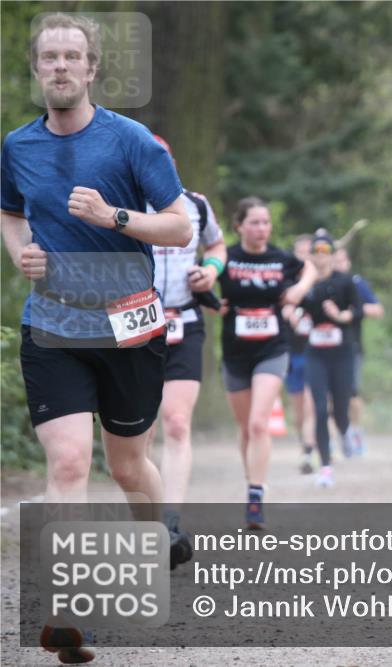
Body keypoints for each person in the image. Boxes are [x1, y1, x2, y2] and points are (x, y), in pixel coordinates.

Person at [1, 13, 191, 664]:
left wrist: (114, 216)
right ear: (37, 70)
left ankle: (163, 530)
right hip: (53, 325)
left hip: (130, 325)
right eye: (48, 56)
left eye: (70, 56)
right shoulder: (16, 146)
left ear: (91, 69)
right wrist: (21, 251)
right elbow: (9, 208)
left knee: (130, 463)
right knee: (69, 463)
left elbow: (180, 226)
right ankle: (62, 610)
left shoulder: (133, 141)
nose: (59, 66)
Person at [146, 134, 227, 569]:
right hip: (133, 325)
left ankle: (170, 523)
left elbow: (217, 245)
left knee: (177, 423)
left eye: (167, 161)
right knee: (142, 431)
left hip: (184, 321)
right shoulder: (123, 208)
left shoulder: (195, 205)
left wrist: (210, 271)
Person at [218, 197, 317, 528]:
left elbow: (310, 269)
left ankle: (257, 496)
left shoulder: (280, 258)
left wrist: (300, 290)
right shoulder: (227, 257)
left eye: (266, 222)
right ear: (239, 226)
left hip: (273, 349)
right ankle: (252, 484)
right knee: (246, 427)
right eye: (255, 223)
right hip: (235, 352)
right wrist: (211, 301)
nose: (262, 229)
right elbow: (202, 282)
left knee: (260, 423)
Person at [300, 232, 363, 487]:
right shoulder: (305, 283)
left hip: (342, 353)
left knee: (340, 408)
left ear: (332, 255)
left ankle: (346, 431)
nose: (322, 256)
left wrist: (341, 316)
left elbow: (358, 311)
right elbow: (294, 305)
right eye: (317, 252)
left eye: (327, 252)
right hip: (315, 354)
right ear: (312, 256)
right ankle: (325, 467)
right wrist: (294, 315)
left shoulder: (345, 281)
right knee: (318, 408)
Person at [332, 244, 384, 456]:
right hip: (323, 349)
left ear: (348, 262)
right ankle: (332, 440)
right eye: (335, 260)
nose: (338, 264)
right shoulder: (319, 283)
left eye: (342, 260)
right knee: (326, 396)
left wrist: (351, 310)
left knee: (351, 393)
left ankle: (355, 432)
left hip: (352, 346)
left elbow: (377, 310)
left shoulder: (356, 284)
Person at [282, 234, 319, 473]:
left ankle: (309, 451)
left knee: (311, 403)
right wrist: (288, 314)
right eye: (301, 253)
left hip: (316, 352)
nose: (305, 257)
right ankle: (304, 445)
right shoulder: (285, 281)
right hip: (291, 351)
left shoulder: (323, 280)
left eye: (309, 252)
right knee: (298, 408)